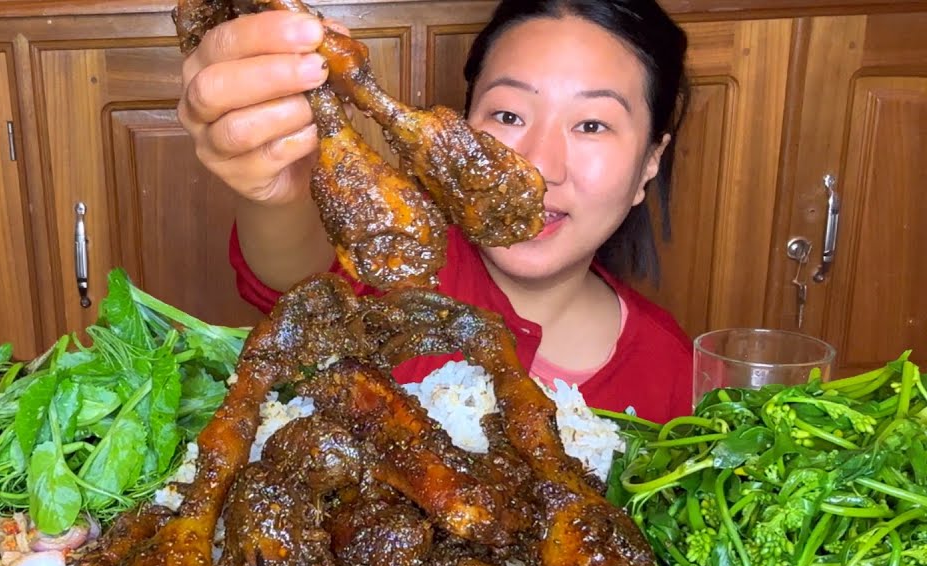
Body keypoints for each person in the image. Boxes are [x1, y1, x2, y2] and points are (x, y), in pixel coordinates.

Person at [177, 0, 694, 423]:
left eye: (592, 125)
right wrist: (277, 190)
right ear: (463, 123)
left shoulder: (675, 372)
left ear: (650, 161)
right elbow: (291, 266)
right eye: (509, 115)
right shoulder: (395, 253)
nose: (539, 167)